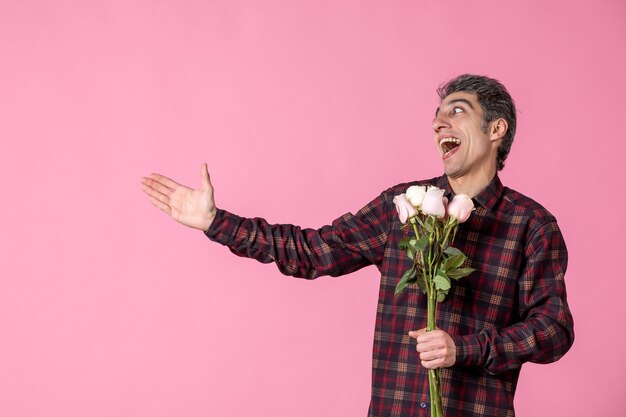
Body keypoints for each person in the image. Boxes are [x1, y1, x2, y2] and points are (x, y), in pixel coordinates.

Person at [140, 74, 574, 417]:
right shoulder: (403, 206)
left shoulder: (530, 225)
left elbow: (554, 329)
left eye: (456, 111)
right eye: (437, 115)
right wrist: (216, 222)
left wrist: (466, 348)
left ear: (496, 129)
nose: (439, 122)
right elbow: (314, 250)